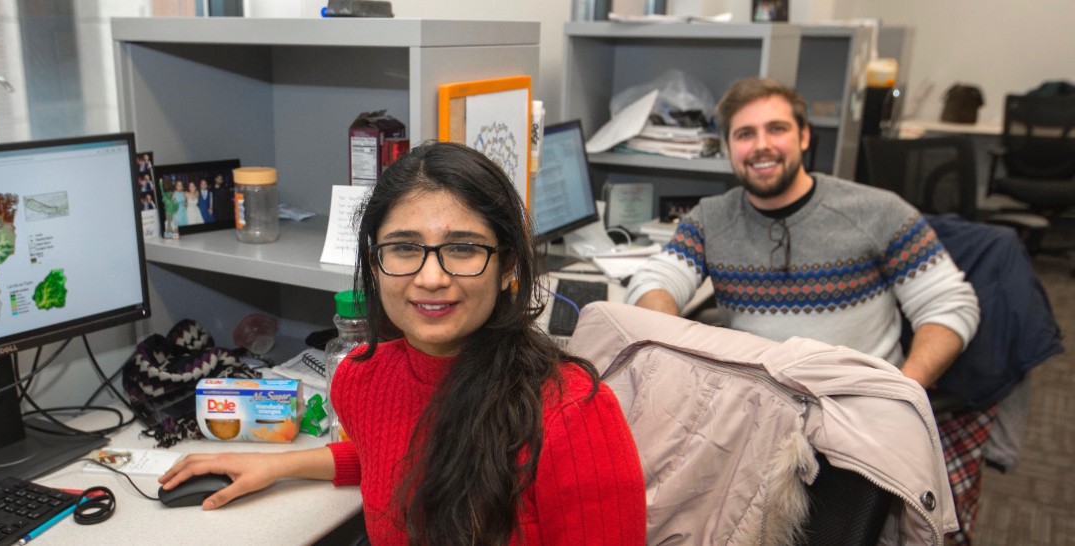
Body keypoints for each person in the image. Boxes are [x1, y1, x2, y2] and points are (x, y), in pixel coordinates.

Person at [160, 142, 646, 545]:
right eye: (404, 248)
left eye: (462, 248)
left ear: (509, 267)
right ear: (374, 264)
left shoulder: (573, 413)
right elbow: (393, 450)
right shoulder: (360, 380)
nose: (431, 277)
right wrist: (276, 466)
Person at [625, 77, 985, 545]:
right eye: (745, 134)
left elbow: (950, 305)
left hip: (859, 422)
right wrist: (675, 344)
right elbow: (653, 282)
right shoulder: (711, 219)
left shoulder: (875, 211)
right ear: (730, 148)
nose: (761, 146)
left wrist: (903, 391)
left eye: (776, 129)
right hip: (760, 417)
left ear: (804, 136)